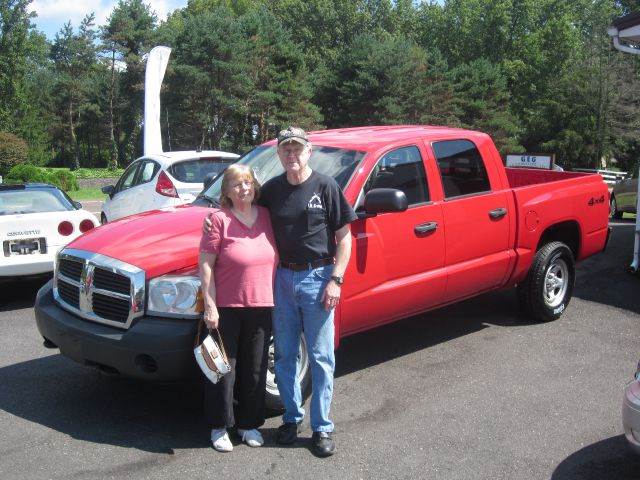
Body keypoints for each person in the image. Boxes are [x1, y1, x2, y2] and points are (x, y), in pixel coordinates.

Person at [199, 164, 278, 453]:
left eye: (247, 183)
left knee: (255, 369)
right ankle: (219, 427)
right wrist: (210, 305)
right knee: (221, 370)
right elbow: (205, 264)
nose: (243, 188)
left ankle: (248, 425)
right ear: (227, 192)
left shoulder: (267, 216)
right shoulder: (217, 219)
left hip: (262, 304)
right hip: (226, 307)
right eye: (236, 184)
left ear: (254, 186)